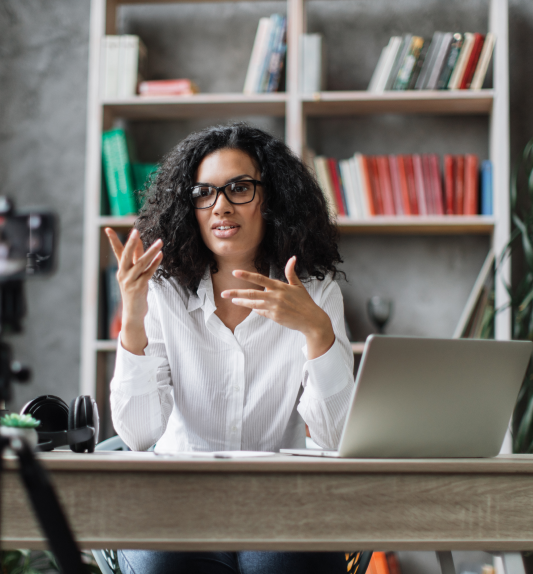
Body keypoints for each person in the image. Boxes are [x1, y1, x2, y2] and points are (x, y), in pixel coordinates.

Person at [105, 123, 354, 574]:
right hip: (177, 501)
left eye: (240, 188)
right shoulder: (162, 293)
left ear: (272, 199)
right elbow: (138, 435)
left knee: (281, 566)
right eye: (204, 192)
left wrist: (318, 334)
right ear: (190, 207)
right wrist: (134, 317)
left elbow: (337, 439)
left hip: (282, 502)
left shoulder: (315, 294)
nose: (220, 205)